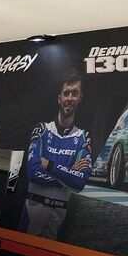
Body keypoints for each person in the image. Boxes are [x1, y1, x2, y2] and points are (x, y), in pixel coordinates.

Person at [19, 69, 92, 240]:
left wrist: (49, 164)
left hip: (59, 213)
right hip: (33, 208)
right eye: (66, 93)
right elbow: (32, 171)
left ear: (80, 97)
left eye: (75, 93)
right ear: (59, 98)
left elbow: (80, 181)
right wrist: (66, 176)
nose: (70, 98)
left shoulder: (83, 137)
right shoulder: (42, 129)